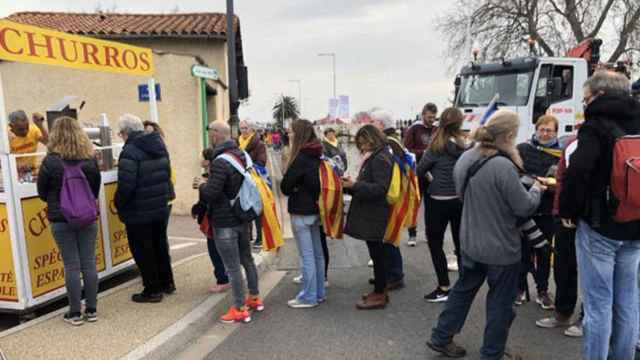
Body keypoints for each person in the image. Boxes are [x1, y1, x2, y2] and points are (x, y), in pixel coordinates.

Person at [427, 110, 544, 359]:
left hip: (470, 241)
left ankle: (441, 336)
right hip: (501, 246)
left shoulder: (466, 157)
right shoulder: (503, 165)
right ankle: (493, 353)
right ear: (511, 135)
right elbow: (523, 207)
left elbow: (462, 195)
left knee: (462, 291)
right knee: (501, 303)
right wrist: (536, 189)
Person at [559, 71, 640, 359]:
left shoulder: (596, 126)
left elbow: (577, 172)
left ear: (600, 95)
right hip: (635, 224)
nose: (585, 102)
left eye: (587, 97)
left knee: (598, 304)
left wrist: (568, 211)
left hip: (601, 226)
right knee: (628, 303)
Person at [37, 116, 101, 326]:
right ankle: (91, 310)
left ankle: (74, 313)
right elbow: (94, 189)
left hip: (61, 218)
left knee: (72, 265)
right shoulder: (90, 159)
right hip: (87, 217)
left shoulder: (50, 161)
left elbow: (42, 193)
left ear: (55, 135)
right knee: (89, 262)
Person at [198, 120, 263, 323]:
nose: (210, 137)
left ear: (216, 135)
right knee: (247, 260)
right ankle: (254, 298)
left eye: (211, 134)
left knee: (233, 267)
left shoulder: (220, 162)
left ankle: (239, 308)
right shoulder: (242, 156)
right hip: (243, 218)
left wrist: (201, 184)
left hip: (225, 221)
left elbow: (211, 193)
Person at [115, 114, 175, 303]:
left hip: (138, 209)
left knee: (143, 250)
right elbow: (166, 173)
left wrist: (118, 203)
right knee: (159, 246)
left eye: (120, 133)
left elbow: (126, 184)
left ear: (126, 132)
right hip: (159, 205)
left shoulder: (130, 151)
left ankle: (152, 290)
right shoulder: (158, 144)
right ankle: (167, 283)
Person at [536, 134, 584, 337]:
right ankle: (563, 312)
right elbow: (564, 180)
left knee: (595, 274)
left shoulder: (613, 138)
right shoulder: (572, 142)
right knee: (564, 265)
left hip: (590, 217)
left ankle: (587, 318)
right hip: (563, 215)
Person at [417, 108, 467, 303]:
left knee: (435, 243)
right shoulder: (465, 146)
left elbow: (420, 170)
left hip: (437, 199)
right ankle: (464, 284)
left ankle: (444, 286)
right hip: (459, 199)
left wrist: (432, 178)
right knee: (460, 242)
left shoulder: (436, 147)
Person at [343, 124, 394, 310]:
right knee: (376, 253)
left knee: (377, 254)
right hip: (373, 212)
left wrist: (354, 186)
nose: (361, 147)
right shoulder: (378, 155)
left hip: (375, 213)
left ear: (372, 139)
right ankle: (380, 290)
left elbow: (380, 189)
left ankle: (380, 294)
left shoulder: (379, 158)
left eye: (363, 143)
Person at [515, 115, 561, 309]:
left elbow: (562, 182)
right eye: (542, 129)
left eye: (549, 130)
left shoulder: (561, 153)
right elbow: (514, 174)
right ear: (536, 129)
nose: (544, 133)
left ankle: (542, 291)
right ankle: (519, 289)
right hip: (524, 209)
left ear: (555, 132)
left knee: (544, 252)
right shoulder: (522, 149)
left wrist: (548, 184)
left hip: (547, 210)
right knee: (522, 250)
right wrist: (532, 182)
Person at [280, 119, 325, 308]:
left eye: (291, 132)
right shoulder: (318, 154)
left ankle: (308, 297)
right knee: (317, 254)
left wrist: (295, 187)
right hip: (316, 210)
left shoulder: (300, 158)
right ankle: (319, 292)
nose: (288, 135)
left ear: (298, 135)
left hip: (301, 211)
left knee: (307, 256)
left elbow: (285, 186)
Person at [370, 110, 407, 291]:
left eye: (374, 122)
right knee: (386, 237)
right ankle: (386, 273)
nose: (371, 125)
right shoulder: (392, 141)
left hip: (390, 197)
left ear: (382, 125)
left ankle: (395, 275)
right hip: (391, 195)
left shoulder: (389, 143)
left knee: (389, 237)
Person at [192, 148, 230, 294]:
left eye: (203, 158)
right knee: (224, 249)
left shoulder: (209, 178)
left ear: (208, 161)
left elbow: (208, 198)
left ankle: (222, 280)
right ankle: (227, 277)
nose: (200, 161)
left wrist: (198, 208)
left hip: (214, 219)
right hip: (221, 218)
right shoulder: (218, 173)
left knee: (215, 250)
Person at [403, 103, 438, 246]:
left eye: (434, 117)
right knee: (414, 204)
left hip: (432, 172)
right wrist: (423, 153)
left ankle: (430, 234)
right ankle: (412, 235)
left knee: (431, 206)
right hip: (417, 172)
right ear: (423, 114)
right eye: (429, 117)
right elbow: (407, 149)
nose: (431, 120)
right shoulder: (414, 129)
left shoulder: (437, 129)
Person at [238, 120, 268, 249]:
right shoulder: (237, 143)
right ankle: (248, 236)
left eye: (246, 128)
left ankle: (260, 238)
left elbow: (262, 161)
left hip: (254, 181)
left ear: (252, 130)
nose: (243, 131)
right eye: (242, 128)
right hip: (241, 181)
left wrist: (248, 167)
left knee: (256, 209)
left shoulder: (259, 144)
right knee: (245, 207)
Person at [8, 110, 49, 176]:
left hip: (32, 171)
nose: (25, 131)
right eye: (20, 129)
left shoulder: (33, 130)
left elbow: (48, 143)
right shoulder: (6, 137)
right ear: (11, 126)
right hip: (14, 174)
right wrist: (17, 167)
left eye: (27, 127)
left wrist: (40, 126)